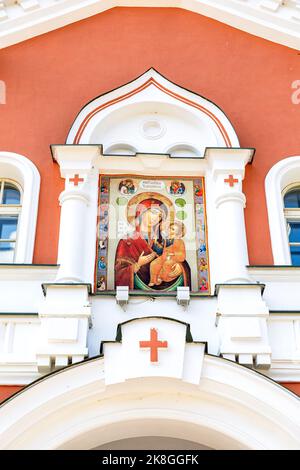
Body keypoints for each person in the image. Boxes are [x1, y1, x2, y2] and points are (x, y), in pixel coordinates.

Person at [114, 197, 191, 290]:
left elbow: (178, 255)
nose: (156, 218)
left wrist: (180, 267)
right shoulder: (127, 241)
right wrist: (138, 265)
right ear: (141, 212)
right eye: (153, 212)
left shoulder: (163, 240)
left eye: (159, 216)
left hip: (167, 282)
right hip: (137, 288)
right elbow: (119, 272)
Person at [148, 221, 186, 286]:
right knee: (154, 263)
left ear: (178, 232)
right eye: (170, 228)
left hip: (173, 258)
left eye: (173, 229)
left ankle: (161, 278)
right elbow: (161, 249)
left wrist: (174, 254)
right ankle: (153, 280)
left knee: (167, 264)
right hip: (164, 256)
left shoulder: (180, 241)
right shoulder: (167, 239)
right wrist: (156, 243)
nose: (170, 230)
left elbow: (182, 254)